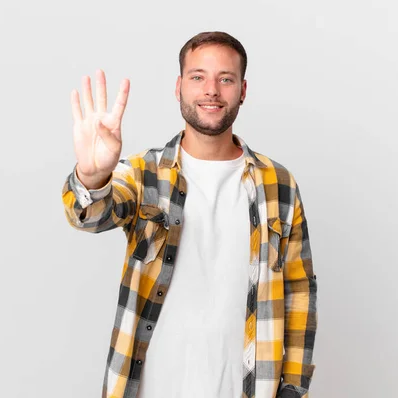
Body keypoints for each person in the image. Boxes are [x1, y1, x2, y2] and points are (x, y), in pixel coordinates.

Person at [62, 31, 317, 398]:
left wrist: (294, 387)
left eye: (225, 79)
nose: (211, 90)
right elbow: (88, 214)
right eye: (198, 77)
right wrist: (92, 174)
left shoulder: (278, 184)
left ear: (242, 90)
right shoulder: (141, 173)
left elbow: (299, 292)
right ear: (179, 87)